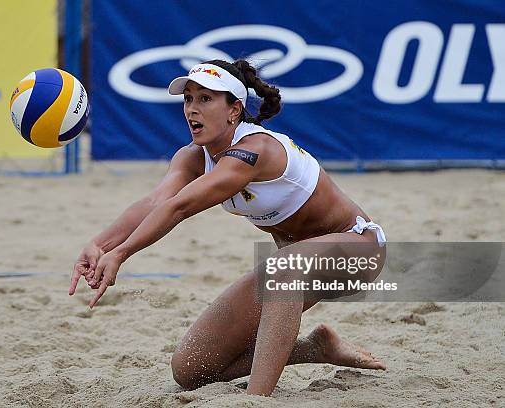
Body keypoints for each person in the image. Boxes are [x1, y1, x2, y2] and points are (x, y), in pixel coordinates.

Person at [68, 59, 387, 396]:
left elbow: (180, 207)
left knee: (283, 268)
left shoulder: (254, 150)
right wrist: (100, 245)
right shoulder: (193, 156)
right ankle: (315, 348)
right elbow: (158, 201)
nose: (192, 109)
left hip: (357, 254)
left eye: (205, 99)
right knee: (191, 369)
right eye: (188, 99)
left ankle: (255, 400)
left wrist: (123, 252)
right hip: (294, 270)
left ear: (235, 110)